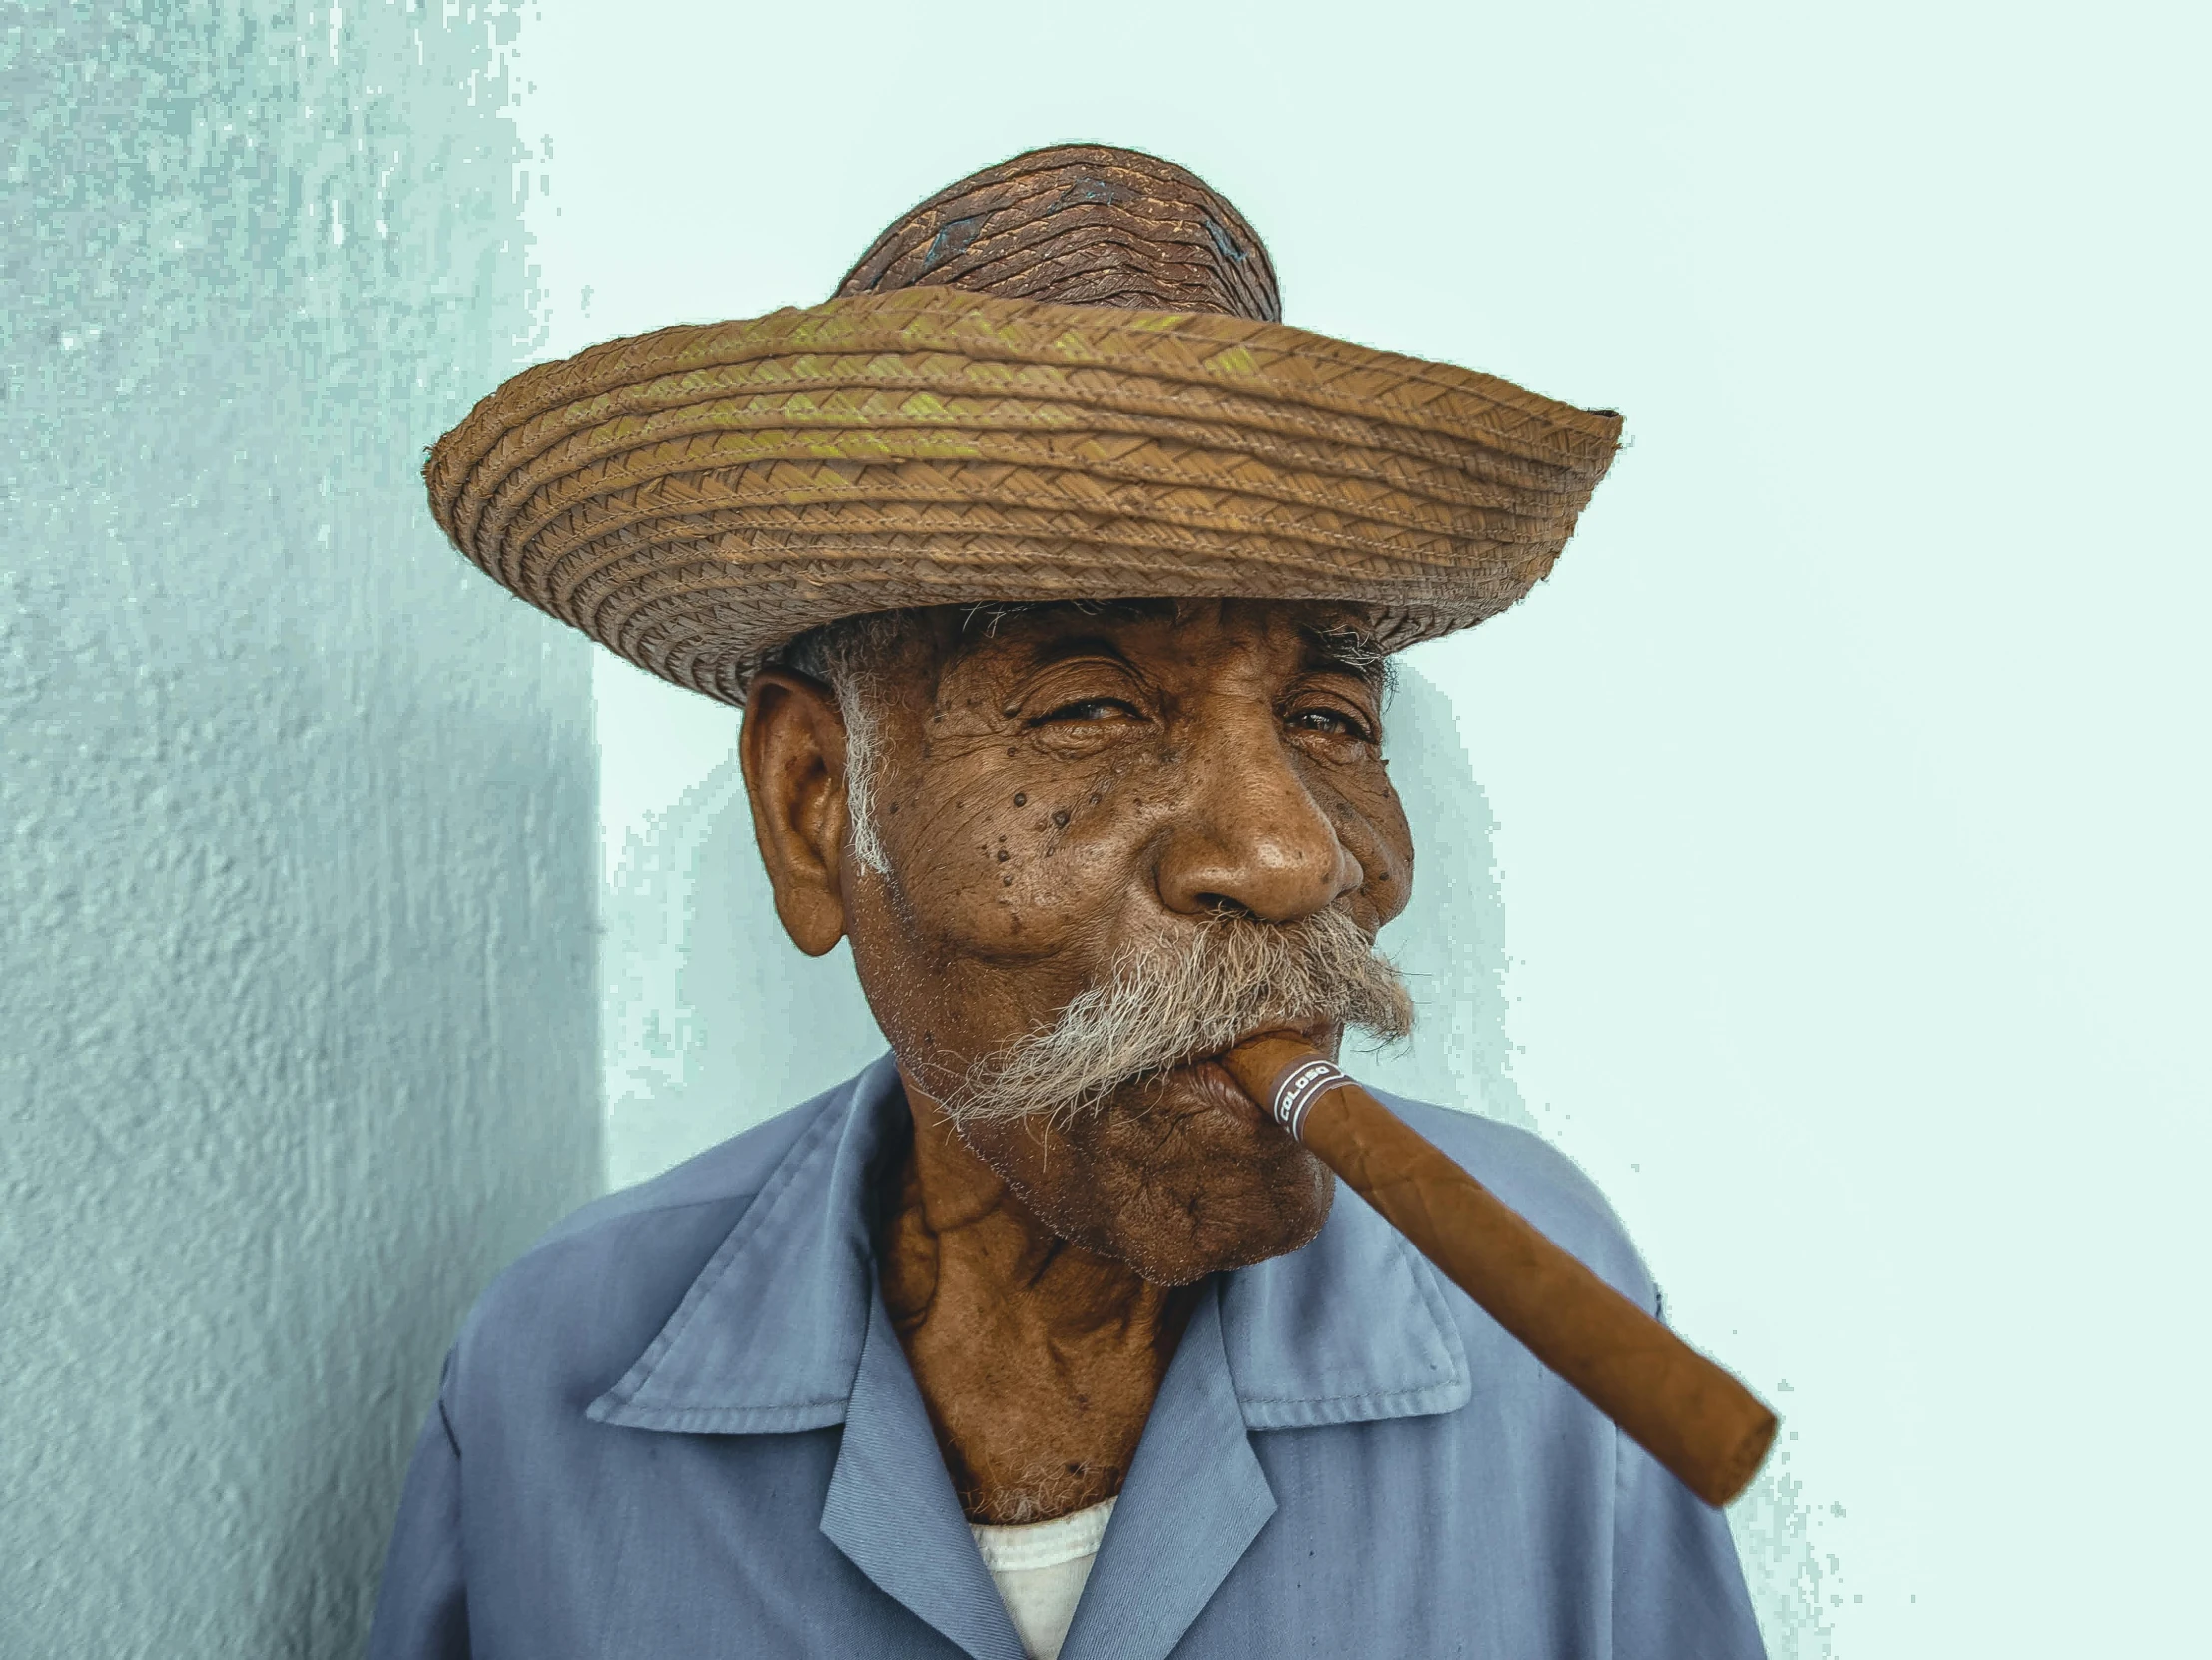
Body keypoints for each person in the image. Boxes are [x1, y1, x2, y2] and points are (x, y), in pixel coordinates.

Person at [369, 145, 1767, 1660]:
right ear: (811, 798)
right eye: (1092, 704)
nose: (1294, 858)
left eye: (1327, 717)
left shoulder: (1543, 1324)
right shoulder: (557, 1380)